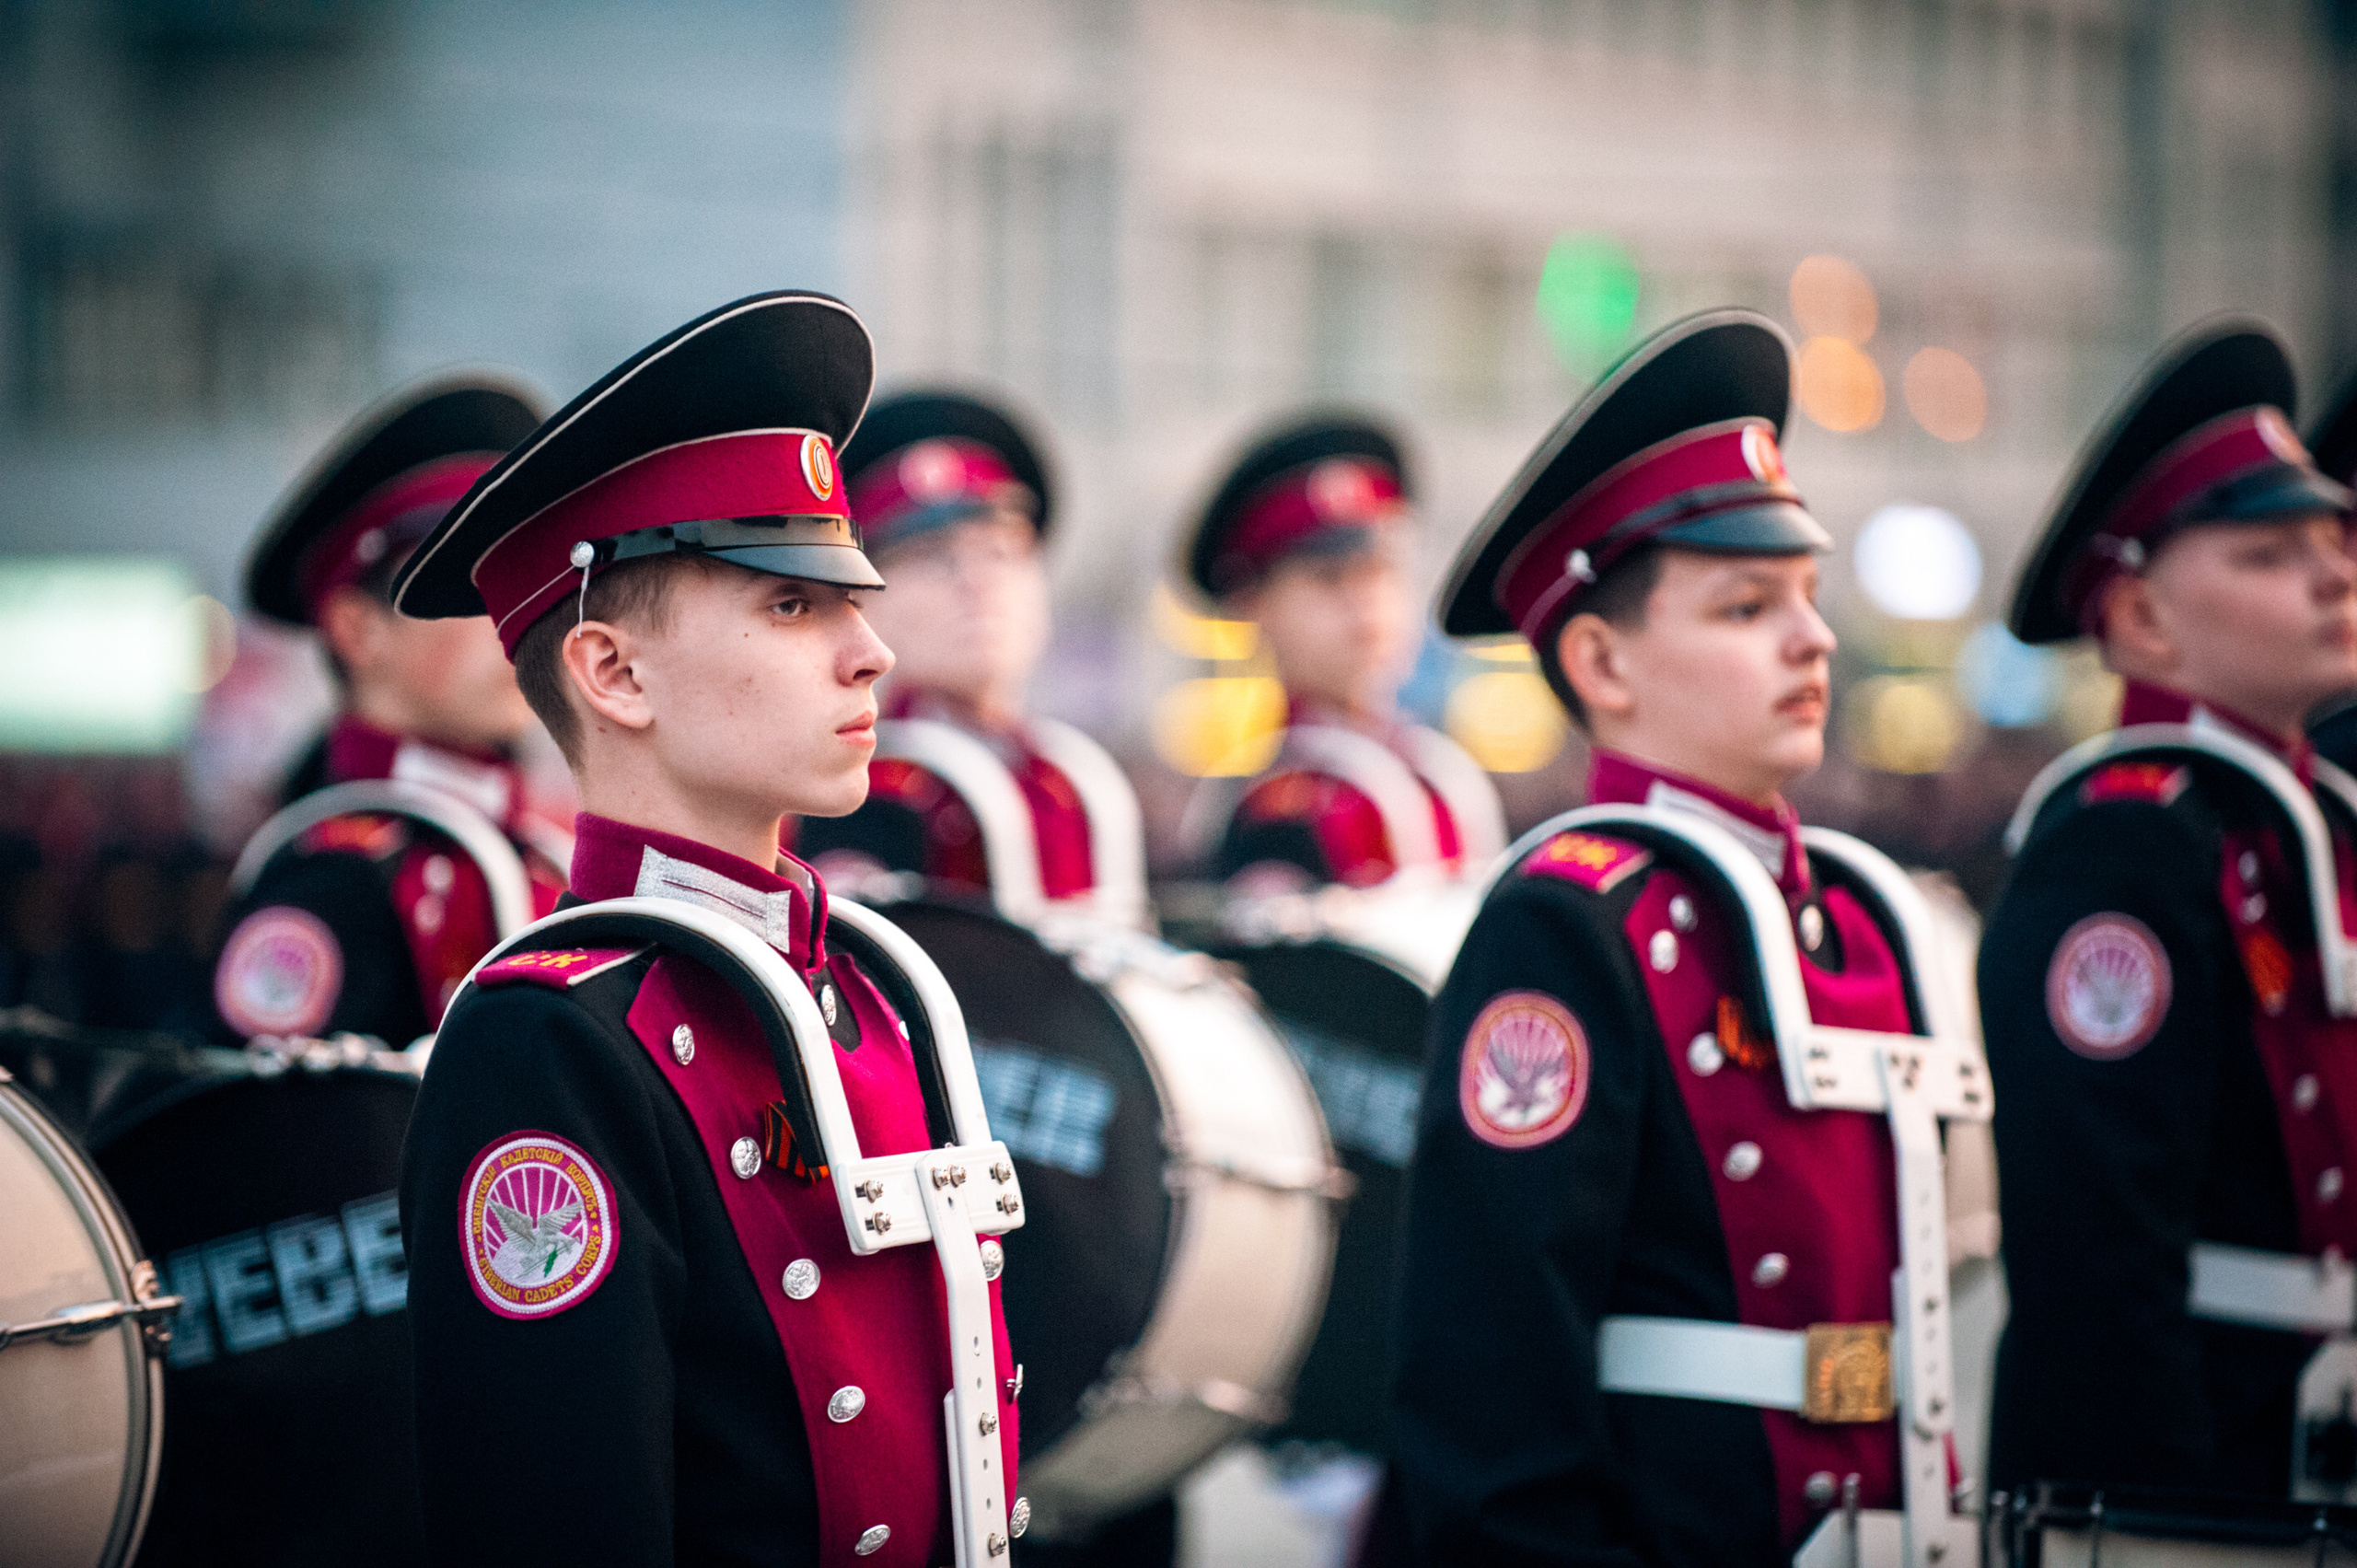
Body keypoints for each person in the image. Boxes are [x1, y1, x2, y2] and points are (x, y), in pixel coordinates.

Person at [390, 291, 1021, 1566]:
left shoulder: (866, 978)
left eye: (853, 598)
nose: (875, 651)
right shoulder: (551, 1040)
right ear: (613, 673)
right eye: (794, 606)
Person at [1384, 310, 1981, 1565]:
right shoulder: (1570, 917)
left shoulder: (1855, 909)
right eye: (1747, 605)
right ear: (1602, 657)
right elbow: (1494, 1377)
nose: (1813, 638)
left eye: (1808, 598)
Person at [1981, 319, 2357, 1499]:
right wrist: (2162, 1522)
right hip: (2203, 1457)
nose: (2333, 572)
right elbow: (2100, 1256)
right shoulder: (2123, 843)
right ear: (2141, 620)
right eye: (2265, 552)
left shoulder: (2314, 827)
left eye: (2332, 538)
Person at [210, 374, 565, 1048]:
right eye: (471, 585)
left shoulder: (539, 853)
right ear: (356, 627)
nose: (522, 615)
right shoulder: (327, 883)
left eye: (527, 576)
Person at [795, 389, 1148, 928]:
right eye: (933, 559)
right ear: (860, 598)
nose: (978, 584)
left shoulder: (1068, 771)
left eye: (1002, 553)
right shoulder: (860, 791)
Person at [1178, 415, 1504, 891]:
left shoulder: (1439, 770)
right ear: (1253, 604)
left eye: (1383, 570)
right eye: (1329, 578)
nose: (1366, 603)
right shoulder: (1274, 812)